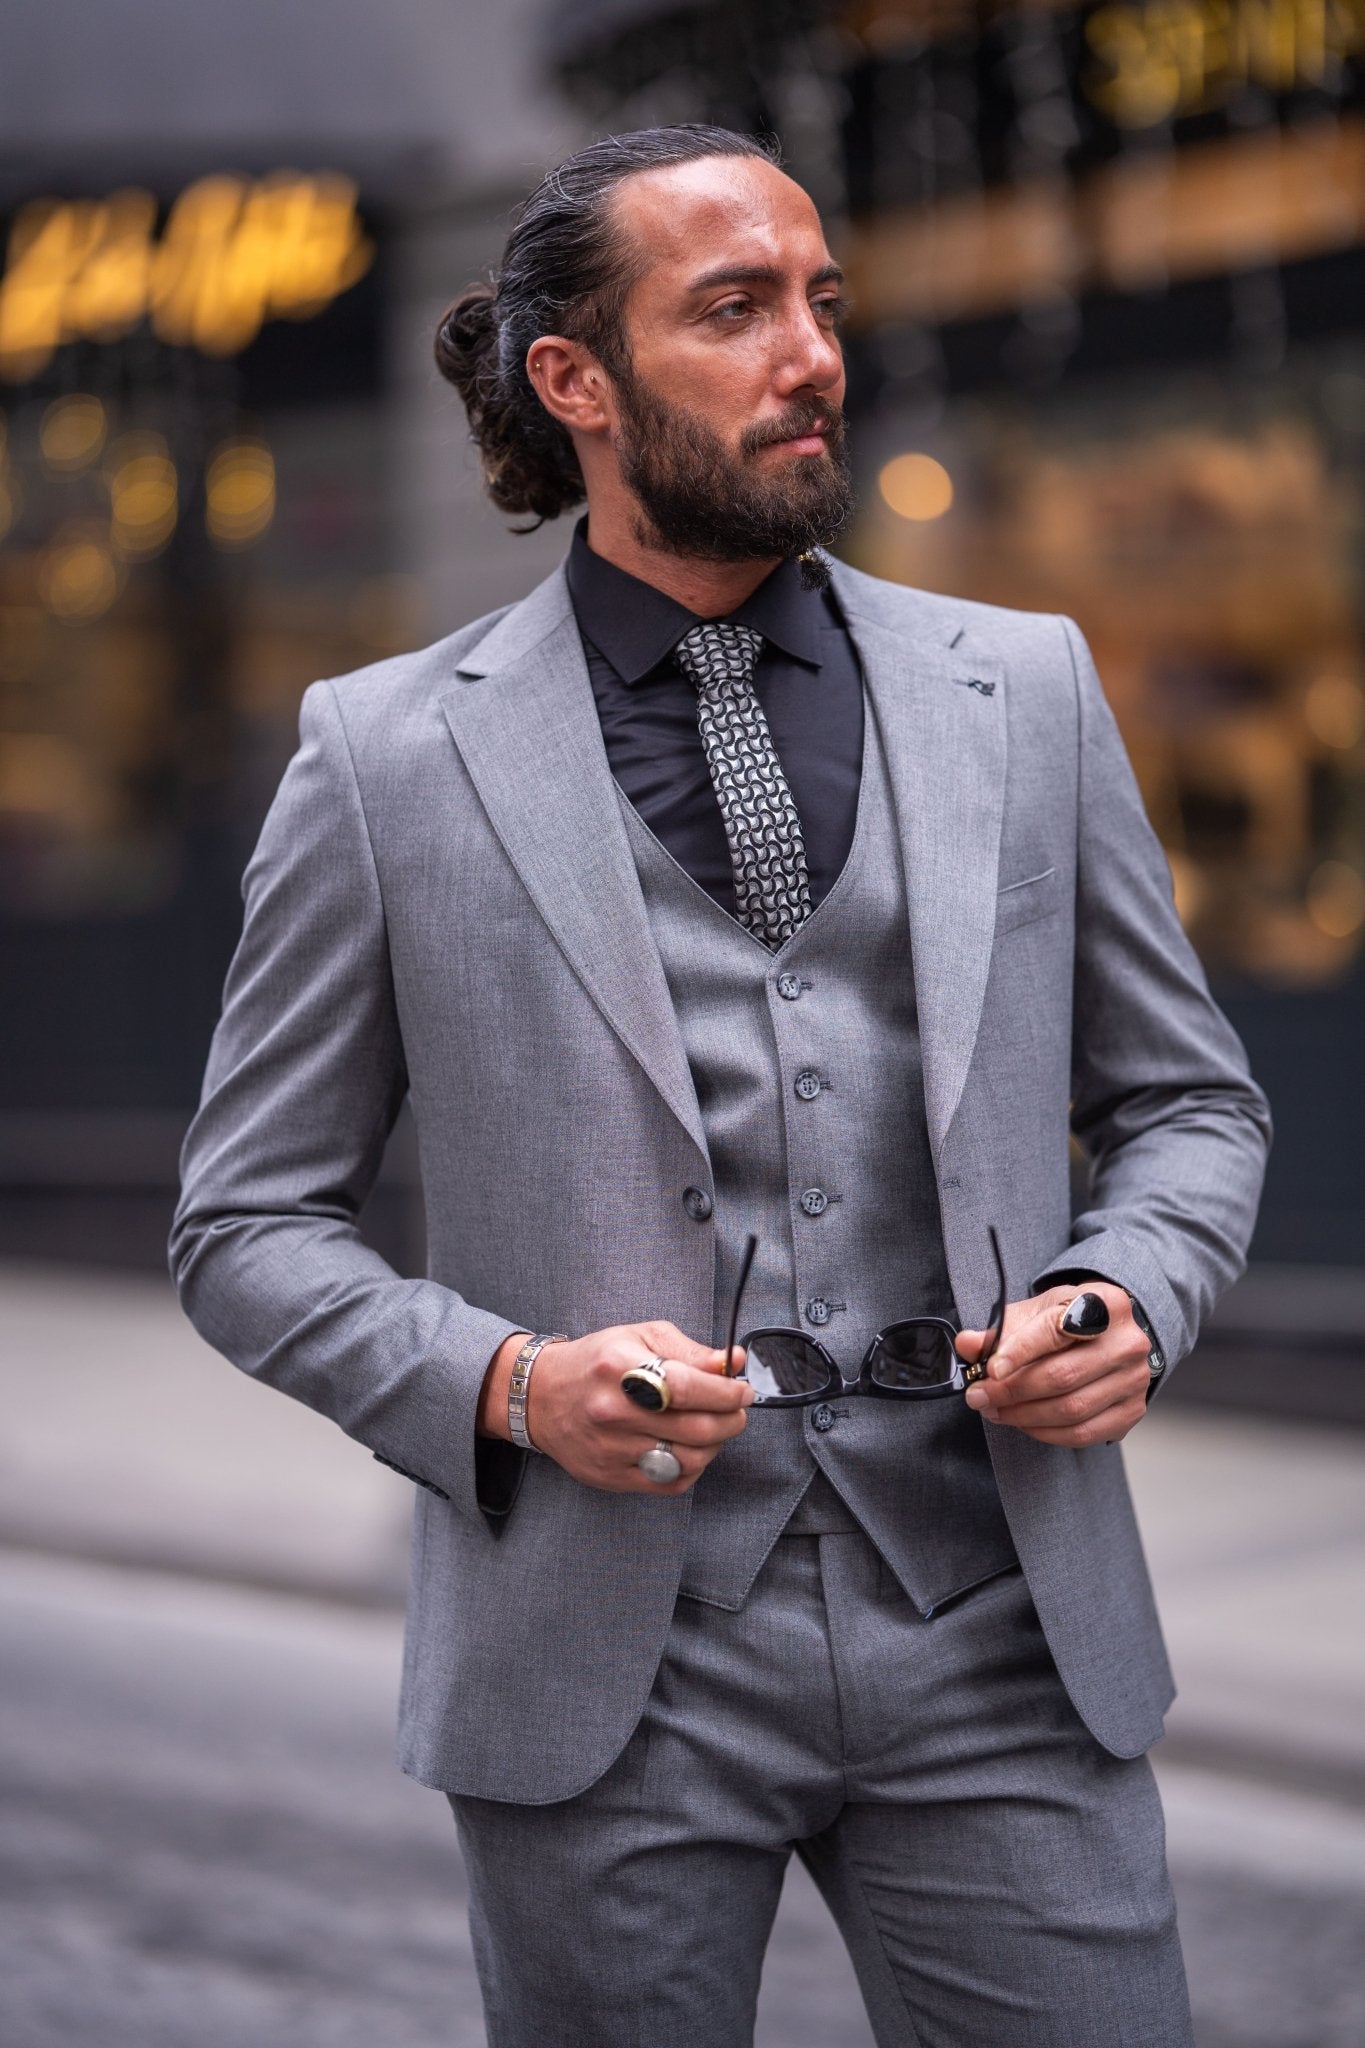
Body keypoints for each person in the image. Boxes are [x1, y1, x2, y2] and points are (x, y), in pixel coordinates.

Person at [171, 125, 1270, 2047]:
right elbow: (244, 1221)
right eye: (735, 308)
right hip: (611, 1660)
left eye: (822, 302)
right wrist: (505, 1385)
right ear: (573, 381)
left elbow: (1190, 1104)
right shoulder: (386, 759)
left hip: (999, 1616)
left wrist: (1133, 1300)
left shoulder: (1021, 686)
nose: (812, 355)